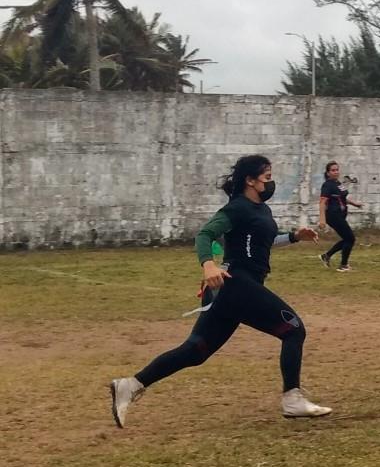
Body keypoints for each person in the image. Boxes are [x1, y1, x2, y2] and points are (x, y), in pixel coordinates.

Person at [109, 155, 331, 427]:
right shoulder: (237, 208)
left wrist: (295, 236)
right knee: (293, 329)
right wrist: (208, 265)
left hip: (236, 290)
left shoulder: (260, 209)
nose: (271, 183)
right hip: (237, 283)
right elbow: (204, 235)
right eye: (267, 178)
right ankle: (292, 399)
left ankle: (130, 385)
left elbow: (264, 240)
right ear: (250, 180)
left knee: (195, 351)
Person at [318, 161, 363, 272]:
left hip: (340, 215)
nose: (336, 172)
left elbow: (343, 198)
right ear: (328, 173)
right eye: (333, 170)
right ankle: (343, 265)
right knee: (350, 238)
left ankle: (326, 256)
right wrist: (322, 219)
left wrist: (355, 204)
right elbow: (322, 202)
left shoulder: (338, 183)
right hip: (333, 215)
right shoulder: (327, 185)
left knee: (347, 239)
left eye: (337, 170)